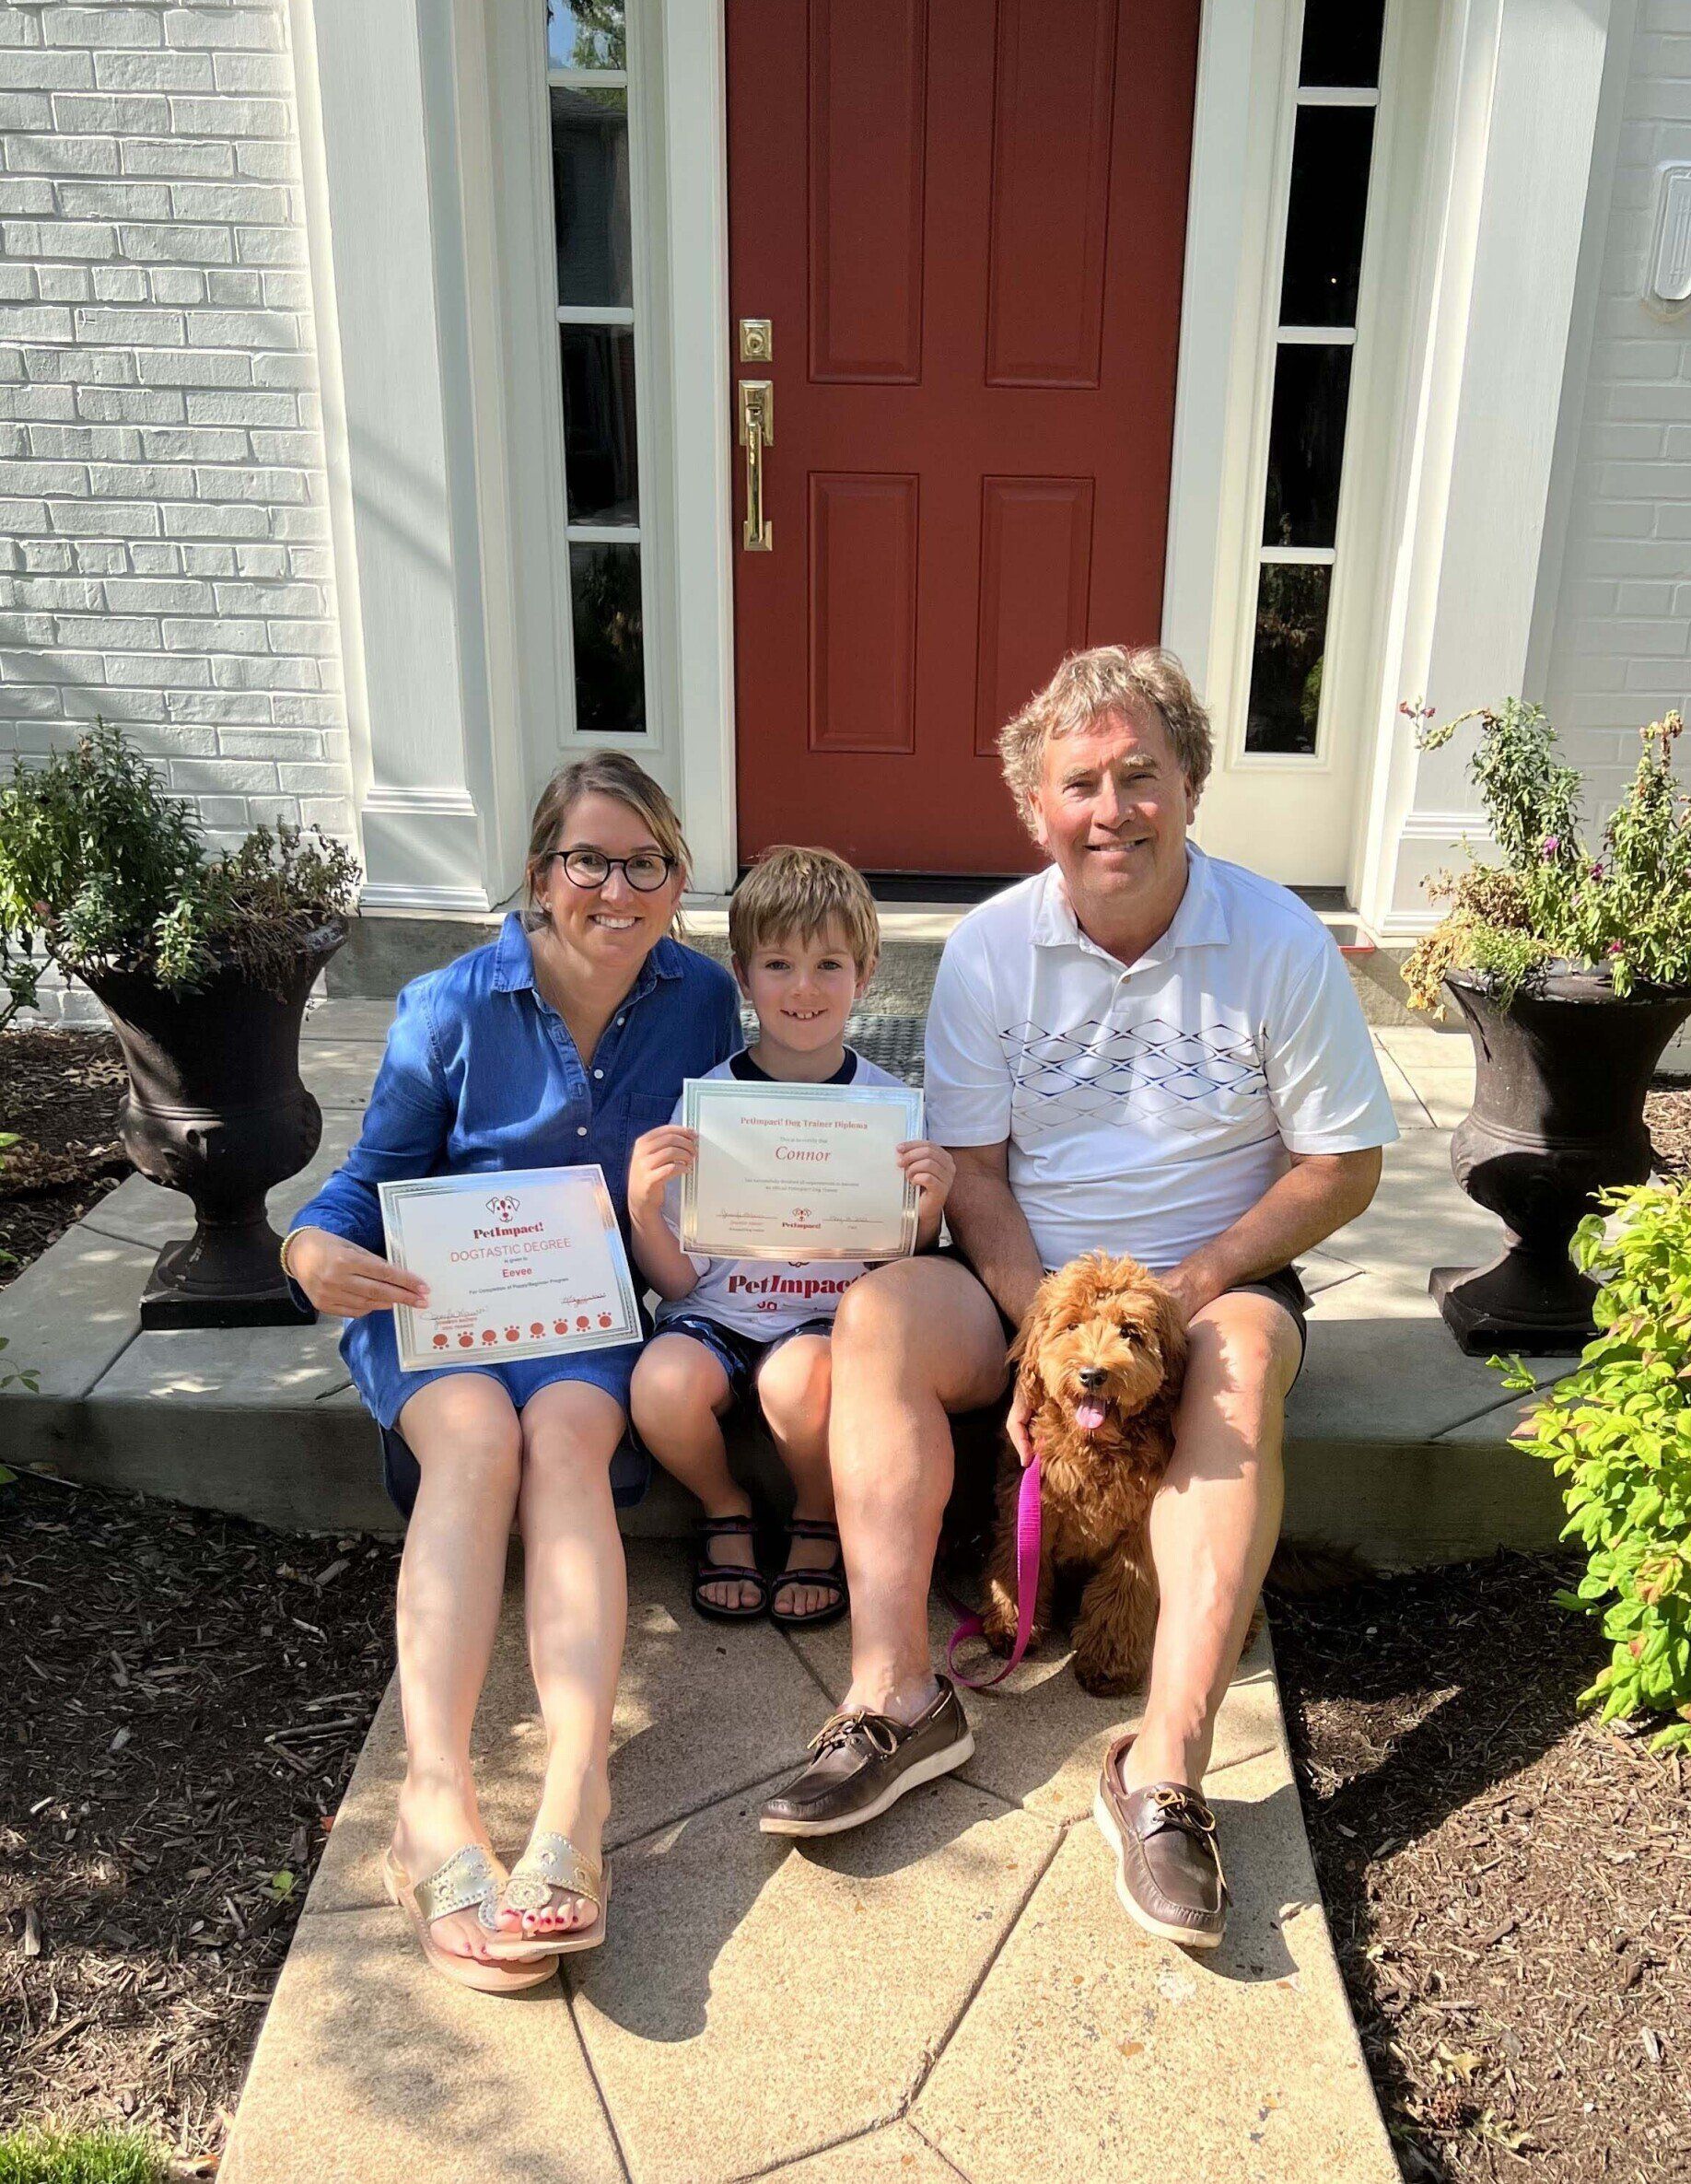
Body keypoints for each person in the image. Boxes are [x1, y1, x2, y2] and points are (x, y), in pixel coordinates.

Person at [759, 646, 1399, 1948]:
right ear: (1036, 809)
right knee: (878, 1317)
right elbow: (979, 1173)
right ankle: (896, 1700)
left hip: (1211, 1283)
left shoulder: (1278, 941)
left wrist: (1192, 1283)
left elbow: (1346, 1164)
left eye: (1140, 776)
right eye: (1081, 785)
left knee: (1229, 1366)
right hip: (1028, 1284)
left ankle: (1163, 1769)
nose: (1112, 809)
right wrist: (1041, 1326)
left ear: (1192, 783)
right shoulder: (994, 949)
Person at [280, 753, 741, 1989]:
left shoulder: (701, 998)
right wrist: (310, 1245)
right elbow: (366, 1177)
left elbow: (733, 1141)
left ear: (677, 877)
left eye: (645, 862)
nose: (616, 887)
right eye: (589, 859)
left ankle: (575, 1796)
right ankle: (433, 1800)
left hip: (582, 1303)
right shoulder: (450, 1002)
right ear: (542, 874)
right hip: (444, 1297)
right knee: (480, 1439)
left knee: (572, 1440)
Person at [626, 847, 955, 1627]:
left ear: (866, 972)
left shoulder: (890, 1108)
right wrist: (643, 1209)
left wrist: (929, 1210)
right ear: (742, 976)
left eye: (828, 965)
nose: (803, 989)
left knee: (797, 1380)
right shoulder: (705, 1105)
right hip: (714, 1314)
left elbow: (897, 1270)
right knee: (658, 1388)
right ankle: (724, 1505)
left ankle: (818, 1512)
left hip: (826, 1320)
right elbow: (675, 1286)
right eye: (778, 964)